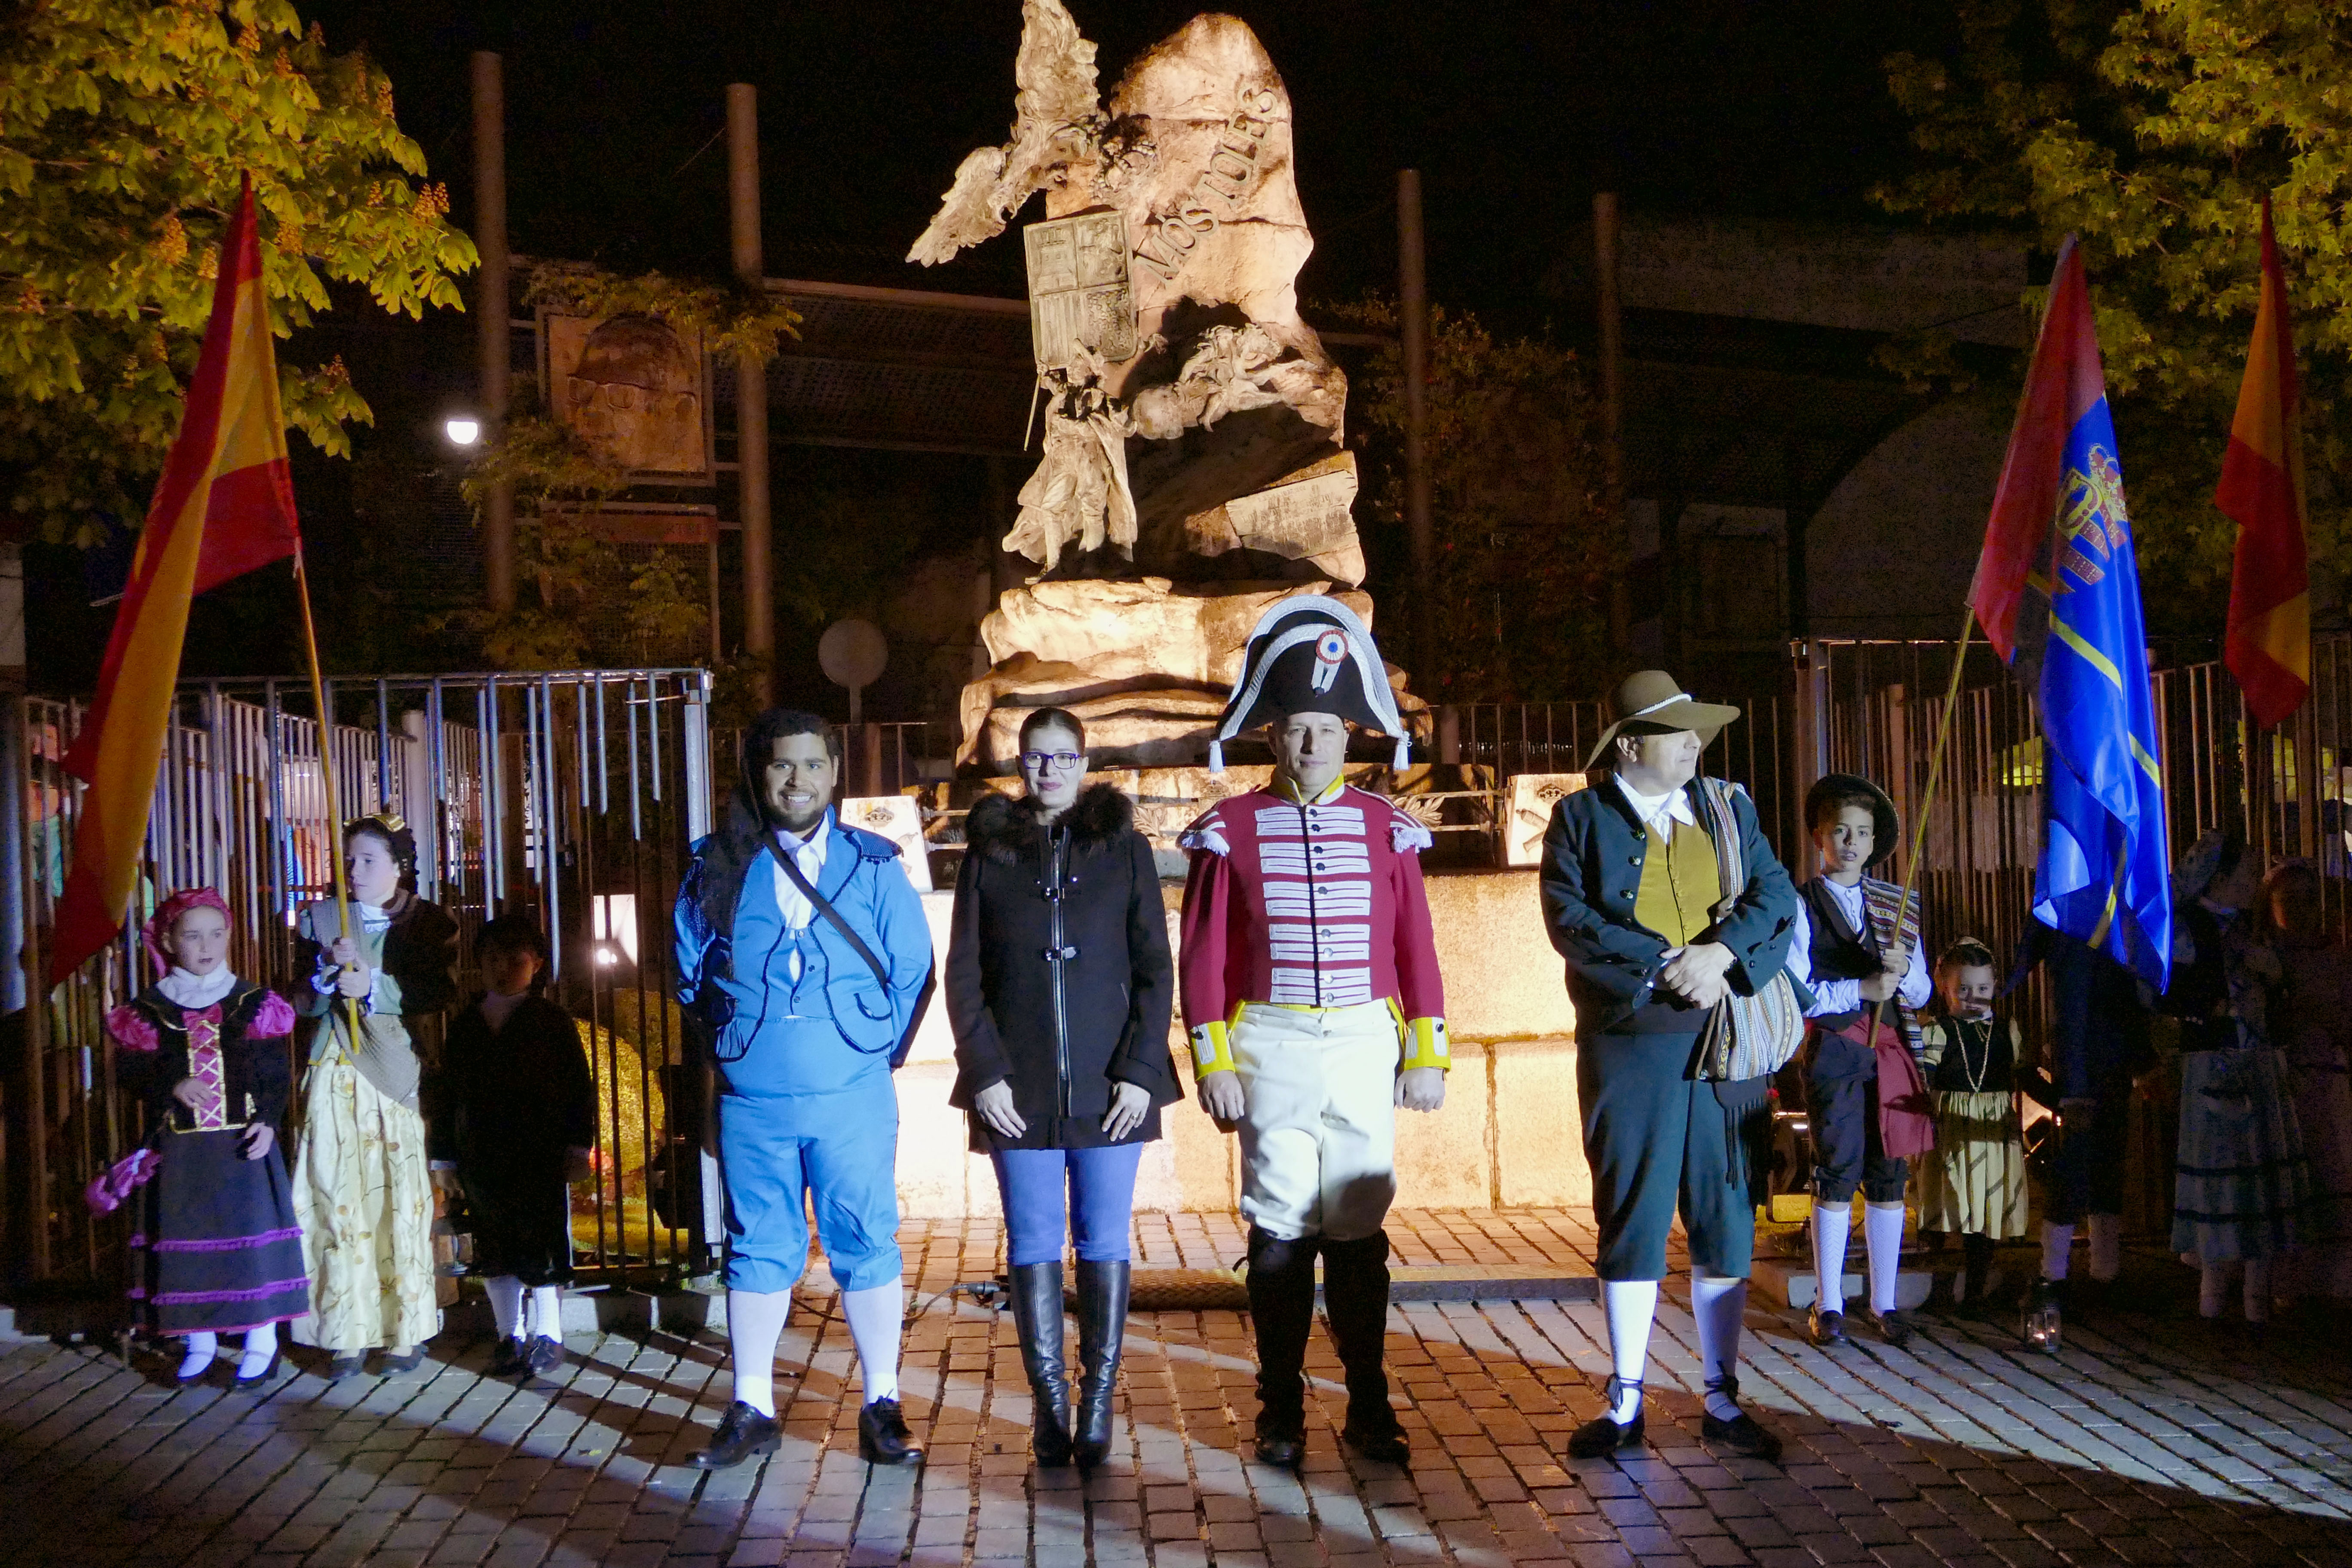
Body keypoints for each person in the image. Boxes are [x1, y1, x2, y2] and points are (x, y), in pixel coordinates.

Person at [1181, 596, 1447, 1468]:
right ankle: (1281, 1408)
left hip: (1366, 1041)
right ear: (1271, 736)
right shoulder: (1228, 830)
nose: (1310, 745)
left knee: (1359, 1232)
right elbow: (1203, 956)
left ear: (1346, 737)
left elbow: (1416, 949)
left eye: (1326, 731)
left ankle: (1369, 1402)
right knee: (1279, 1233)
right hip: (1271, 1044)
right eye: (1296, 730)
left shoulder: (1384, 827)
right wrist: (1214, 1060)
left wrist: (1426, 1053)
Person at [1539, 669, 1796, 1461]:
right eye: (1675, 731)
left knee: (1726, 1207)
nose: (1694, 743)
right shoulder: (1579, 817)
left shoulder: (1727, 808)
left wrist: (1721, 956)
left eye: (1695, 730)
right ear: (1628, 746)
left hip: (1726, 1031)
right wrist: (1661, 965)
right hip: (1631, 1041)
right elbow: (1569, 916)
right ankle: (1625, 1397)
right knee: (1634, 1209)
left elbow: (1775, 895)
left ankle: (1722, 1394)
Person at [675, 708, 936, 1470]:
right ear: (758, 773)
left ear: (834, 772)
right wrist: (733, 1053)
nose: (798, 780)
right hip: (753, 1094)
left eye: (813, 764)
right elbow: (690, 971)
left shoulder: (875, 863)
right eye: (782, 765)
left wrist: (867, 1048)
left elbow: (912, 968)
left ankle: (882, 1403)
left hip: (851, 1089)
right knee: (757, 1244)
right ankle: (751, 1404)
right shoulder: (716, 865)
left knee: (865, 1236)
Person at [947, 707, 1178, 1468]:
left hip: (1113, 1087)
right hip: (1017, 1090)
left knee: (1104, 1239)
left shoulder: (1124, 849)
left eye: (1063, 757)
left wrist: (1141, 1072)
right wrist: (985, 1073)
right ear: (1020, 764)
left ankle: (1098, 1400)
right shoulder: (990, 852)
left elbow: (1154, 968)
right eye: (1036, 758)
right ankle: (1050, 1405)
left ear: (1084, 762)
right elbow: (964, 974)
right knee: (1033, 1241)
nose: (1049, 771)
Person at [105, 888, 306, 1387]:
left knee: (249, 1247)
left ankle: (261, 1341)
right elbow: (131, 1071)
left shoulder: (252, 1003)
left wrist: (269, 1121)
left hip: (242, 1151)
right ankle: (200, 1341)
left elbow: (274, 1073)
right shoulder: (151, 1008)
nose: (206, 946)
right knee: (190, 1246)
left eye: (216, 934)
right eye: (193, 936)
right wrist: (171, 1084)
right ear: (169, 941)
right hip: (183, 1151)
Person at [291, 814, 458, 1378]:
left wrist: (375, 987)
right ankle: (344, 1329)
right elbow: (299, 1001)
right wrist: (323, 979)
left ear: (397, 865)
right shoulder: (320, 920)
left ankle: (405, 1330)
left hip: (395, 1071)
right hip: (334, 1069)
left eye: (368, 860)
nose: (355, 871)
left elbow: (437, 992)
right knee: (335, 1196)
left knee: (397, 1201)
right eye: (349, 860)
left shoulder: (428, 923)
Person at [1788, 775, 1933, 1349]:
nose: (1851, 842)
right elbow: (1800, 990)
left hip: (1890, 1050)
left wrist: (1903, 971)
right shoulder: (1801, 904)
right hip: (1837, 1049)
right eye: (1841, 831)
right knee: (1838, 1168)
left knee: (1889, 1172)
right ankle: (1829, 1305)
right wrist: (1860, 988)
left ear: (1876, 842)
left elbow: (1921, 992)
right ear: (1820, 837)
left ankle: (1884, 1302)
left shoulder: (1896, 905)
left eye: (1863, 833)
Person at [432, 913, 597, 1379]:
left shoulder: (551, 1021)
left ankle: (549, 1333)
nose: (502, 969)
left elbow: (577, 1088)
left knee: (542, 1241)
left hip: (538, 1153)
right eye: (492, 960)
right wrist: (444, 1156)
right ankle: (510, 1334)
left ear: (537, 964)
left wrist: (577, 1147)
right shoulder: (466, 1025)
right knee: (495, 1246)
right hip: (482, 1153)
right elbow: (446, 1093)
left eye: (514, 959)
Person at [2160, 830, 2310, 1326]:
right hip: (2215, 1061)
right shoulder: (2189, 929)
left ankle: (2256, 1299)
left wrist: (2273, 977)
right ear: (2219, 878)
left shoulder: (2251, 928)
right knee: (2219, 1183)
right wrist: (2208, 1007)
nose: (2253, 881)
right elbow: (2163, 991)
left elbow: (2280, 992)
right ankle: (2213, 1295)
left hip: (2259, 1062)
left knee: (2259, 1183)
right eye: (2246, 872)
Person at [2008, 916, 2154, 1327]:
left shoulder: (2117, 929)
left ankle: (2106, 1273)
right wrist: (2072, 1091)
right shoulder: (2077, 931)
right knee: (2071, 1179)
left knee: (2108, 1172)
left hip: (2113, 1074)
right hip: (2083, 1078)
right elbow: (2070, 1015)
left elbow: (2127, 1010)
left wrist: (2144, 1063)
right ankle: (2052, 1277)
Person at [1913, 938, 2034, 1316]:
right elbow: (1924, 1080)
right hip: (1951, 1126)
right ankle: (1939, 1290)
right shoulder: (1938, 1030)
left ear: (1995, 985)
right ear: (1944, 987)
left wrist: (2063, 1099)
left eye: (1982, 988)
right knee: (1947, 1204)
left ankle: (1975, 1293)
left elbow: (2025, 1074)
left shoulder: (2006, 1030)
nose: (1973, 998)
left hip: (1992, 1130)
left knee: (1985, 1208)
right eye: (1963, 989)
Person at [2261, 861, 2352, 1301]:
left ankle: (2333, 1280)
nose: (2301, 908)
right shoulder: (2263, 958)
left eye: (2308, 899)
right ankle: (2286, 1281)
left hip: (2326, 1077)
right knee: (2286, 1182)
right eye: (2290, 899)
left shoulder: (2336, 956)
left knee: (2330, 1175)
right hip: (2278, 1081)